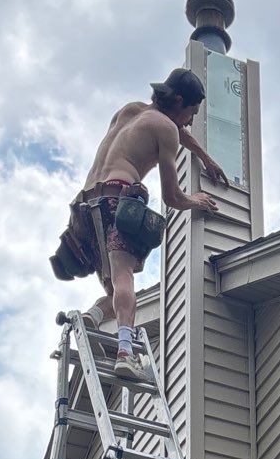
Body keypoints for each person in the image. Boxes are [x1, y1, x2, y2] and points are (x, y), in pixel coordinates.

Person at [51, 67, 226, 382]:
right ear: (177, 100)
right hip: (119, 201)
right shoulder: (166, 131)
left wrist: (204, 156)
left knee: (114, 290)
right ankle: (126, 353)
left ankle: (94, 316)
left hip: (86, 208)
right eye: (192, 111)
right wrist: (195, 201)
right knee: (123, 276)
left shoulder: (131, 111)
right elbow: (172, 197)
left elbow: (174, 127)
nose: (191, 120)